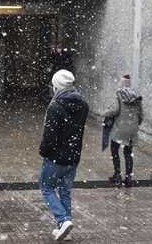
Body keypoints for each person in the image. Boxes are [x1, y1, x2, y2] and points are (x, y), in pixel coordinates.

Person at [39, 69, 89, 242]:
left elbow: (49, 136)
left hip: (56, 157)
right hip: (73, 157)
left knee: (46, 187)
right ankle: (65, 229)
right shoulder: (83, 105)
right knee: (65, 191)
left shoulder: (55, 106)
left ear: (56, 86)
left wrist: (43, 151)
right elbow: (78, 131)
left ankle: (63, 220)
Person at [99, 74, 143, 187]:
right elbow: (141, 115)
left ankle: (117, 175)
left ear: (121, 83)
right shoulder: (137, 96)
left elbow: (115, 109)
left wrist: (103, 113)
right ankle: (128, 178)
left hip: (119, 128)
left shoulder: (119, 94)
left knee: (115, 151)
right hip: (132, 130)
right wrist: (134, 125)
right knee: (128, 153)